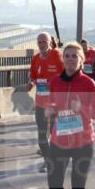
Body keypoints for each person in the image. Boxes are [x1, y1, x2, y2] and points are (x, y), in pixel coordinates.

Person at [44, 42, 95, 189]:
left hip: (83, 142)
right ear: (63, 59)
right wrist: (50, 111)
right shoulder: (55, 82)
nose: (70, 59)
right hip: (59, 140)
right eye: (67, 56)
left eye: (74, 56)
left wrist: (82, 109)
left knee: (78, 184)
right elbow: (50, 105)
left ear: (81, 60)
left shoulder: (88, 83)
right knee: (54, 183)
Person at [28, 32, 64, 168]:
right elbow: (32, 76)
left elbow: (66, 74)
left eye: (44, 42)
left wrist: (55, 82)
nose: (42, 45)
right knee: (42, 135)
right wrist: (30, 84)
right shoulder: (36, 58)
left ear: (50, 42)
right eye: (39, 42)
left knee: (55, 133)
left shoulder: (57, 55)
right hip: (40, 103)